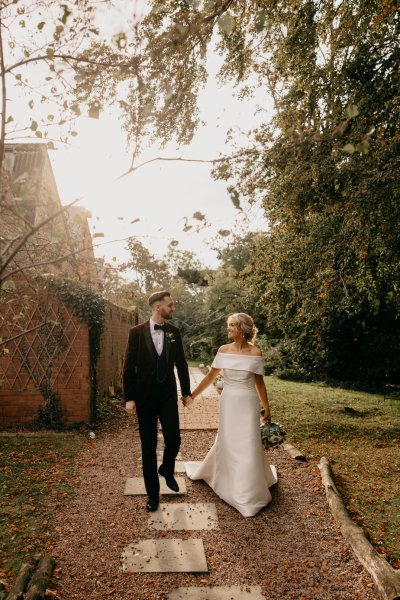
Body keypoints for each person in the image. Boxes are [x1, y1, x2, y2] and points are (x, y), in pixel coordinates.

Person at [183, 313, 277, 517]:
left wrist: (266, 407)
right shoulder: (223, 350)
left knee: (248, 442)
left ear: (243, 329)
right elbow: (210, 377)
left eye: (232, 325)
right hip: (229, 401)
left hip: (248, 402)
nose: (228, 329)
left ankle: (248, 489)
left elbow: (259, 383)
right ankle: (226, 481)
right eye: (229, 325)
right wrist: (192, 396)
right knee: (229, 440)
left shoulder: (255, 352)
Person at [123, 291, 192, 512]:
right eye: (170, 306)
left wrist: (186, 393)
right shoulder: (135, 333)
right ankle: (153, 496)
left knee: (174, 439)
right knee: (148, 446)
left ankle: (167, 469)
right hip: (144, 399)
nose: (173, 309)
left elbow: (181, 364)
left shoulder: (174, 332)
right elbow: (128, 368)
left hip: (167, 396)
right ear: (157, 307)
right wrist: (130, 398)